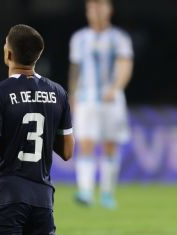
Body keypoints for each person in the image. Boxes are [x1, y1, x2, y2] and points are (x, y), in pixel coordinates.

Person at [0, 24, 98, 235]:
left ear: (9, 55)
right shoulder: (58, 93)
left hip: (5, 195)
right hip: (41, 196)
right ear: (37, 55)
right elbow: (68, 152)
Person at [68, 0, 134, 209]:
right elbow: (75, 68)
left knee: (109, 145)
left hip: (111, 99)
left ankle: (107, 193)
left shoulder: (119, 38)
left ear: (109, 10)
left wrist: (115, 88)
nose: (95, 10)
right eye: (91, 7)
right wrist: (73, 94)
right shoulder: (79, 38)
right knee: (85, 143)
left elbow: (125, 64)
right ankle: (86, 192)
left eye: (100, 6)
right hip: (86, 98)